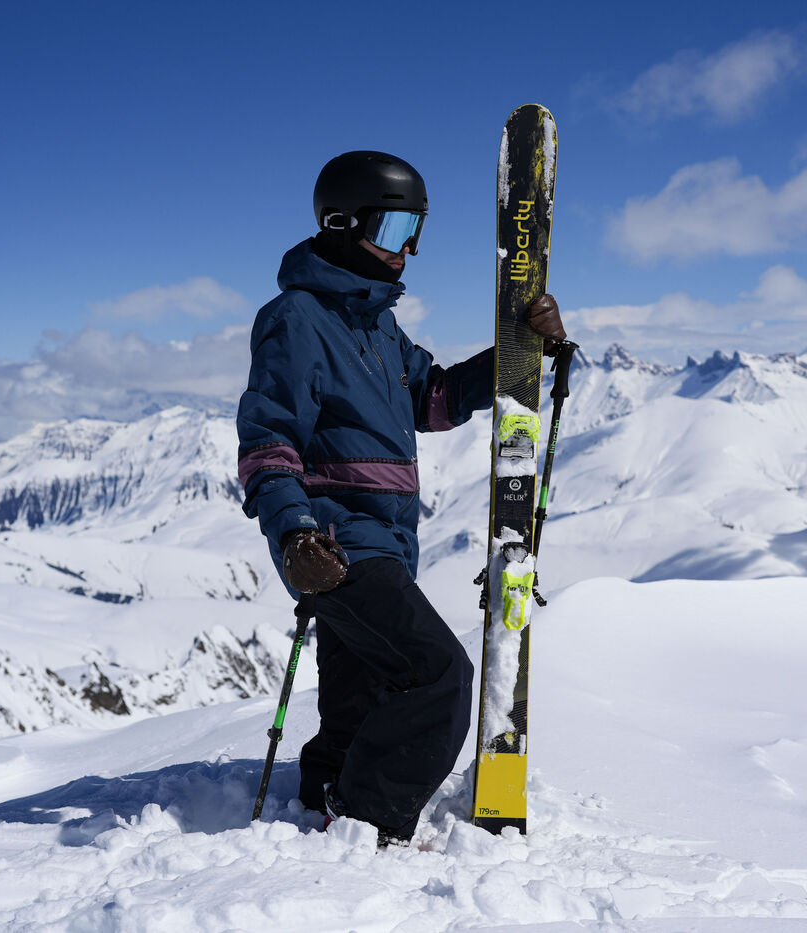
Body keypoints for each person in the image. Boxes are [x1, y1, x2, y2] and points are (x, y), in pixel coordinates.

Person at [236, 150, 565, 846]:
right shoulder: (297, 319)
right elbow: (269, 437)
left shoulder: (378, 324)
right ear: (341, 223)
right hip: (336, 545)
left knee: (364, 697)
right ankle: (368, 821)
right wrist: (295, 533)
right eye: (392, 230)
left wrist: (520, 353)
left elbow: (433, 398)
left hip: (385, 542)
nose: (408, 249)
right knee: (438, 676)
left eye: (416, 231)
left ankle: (328, 789)